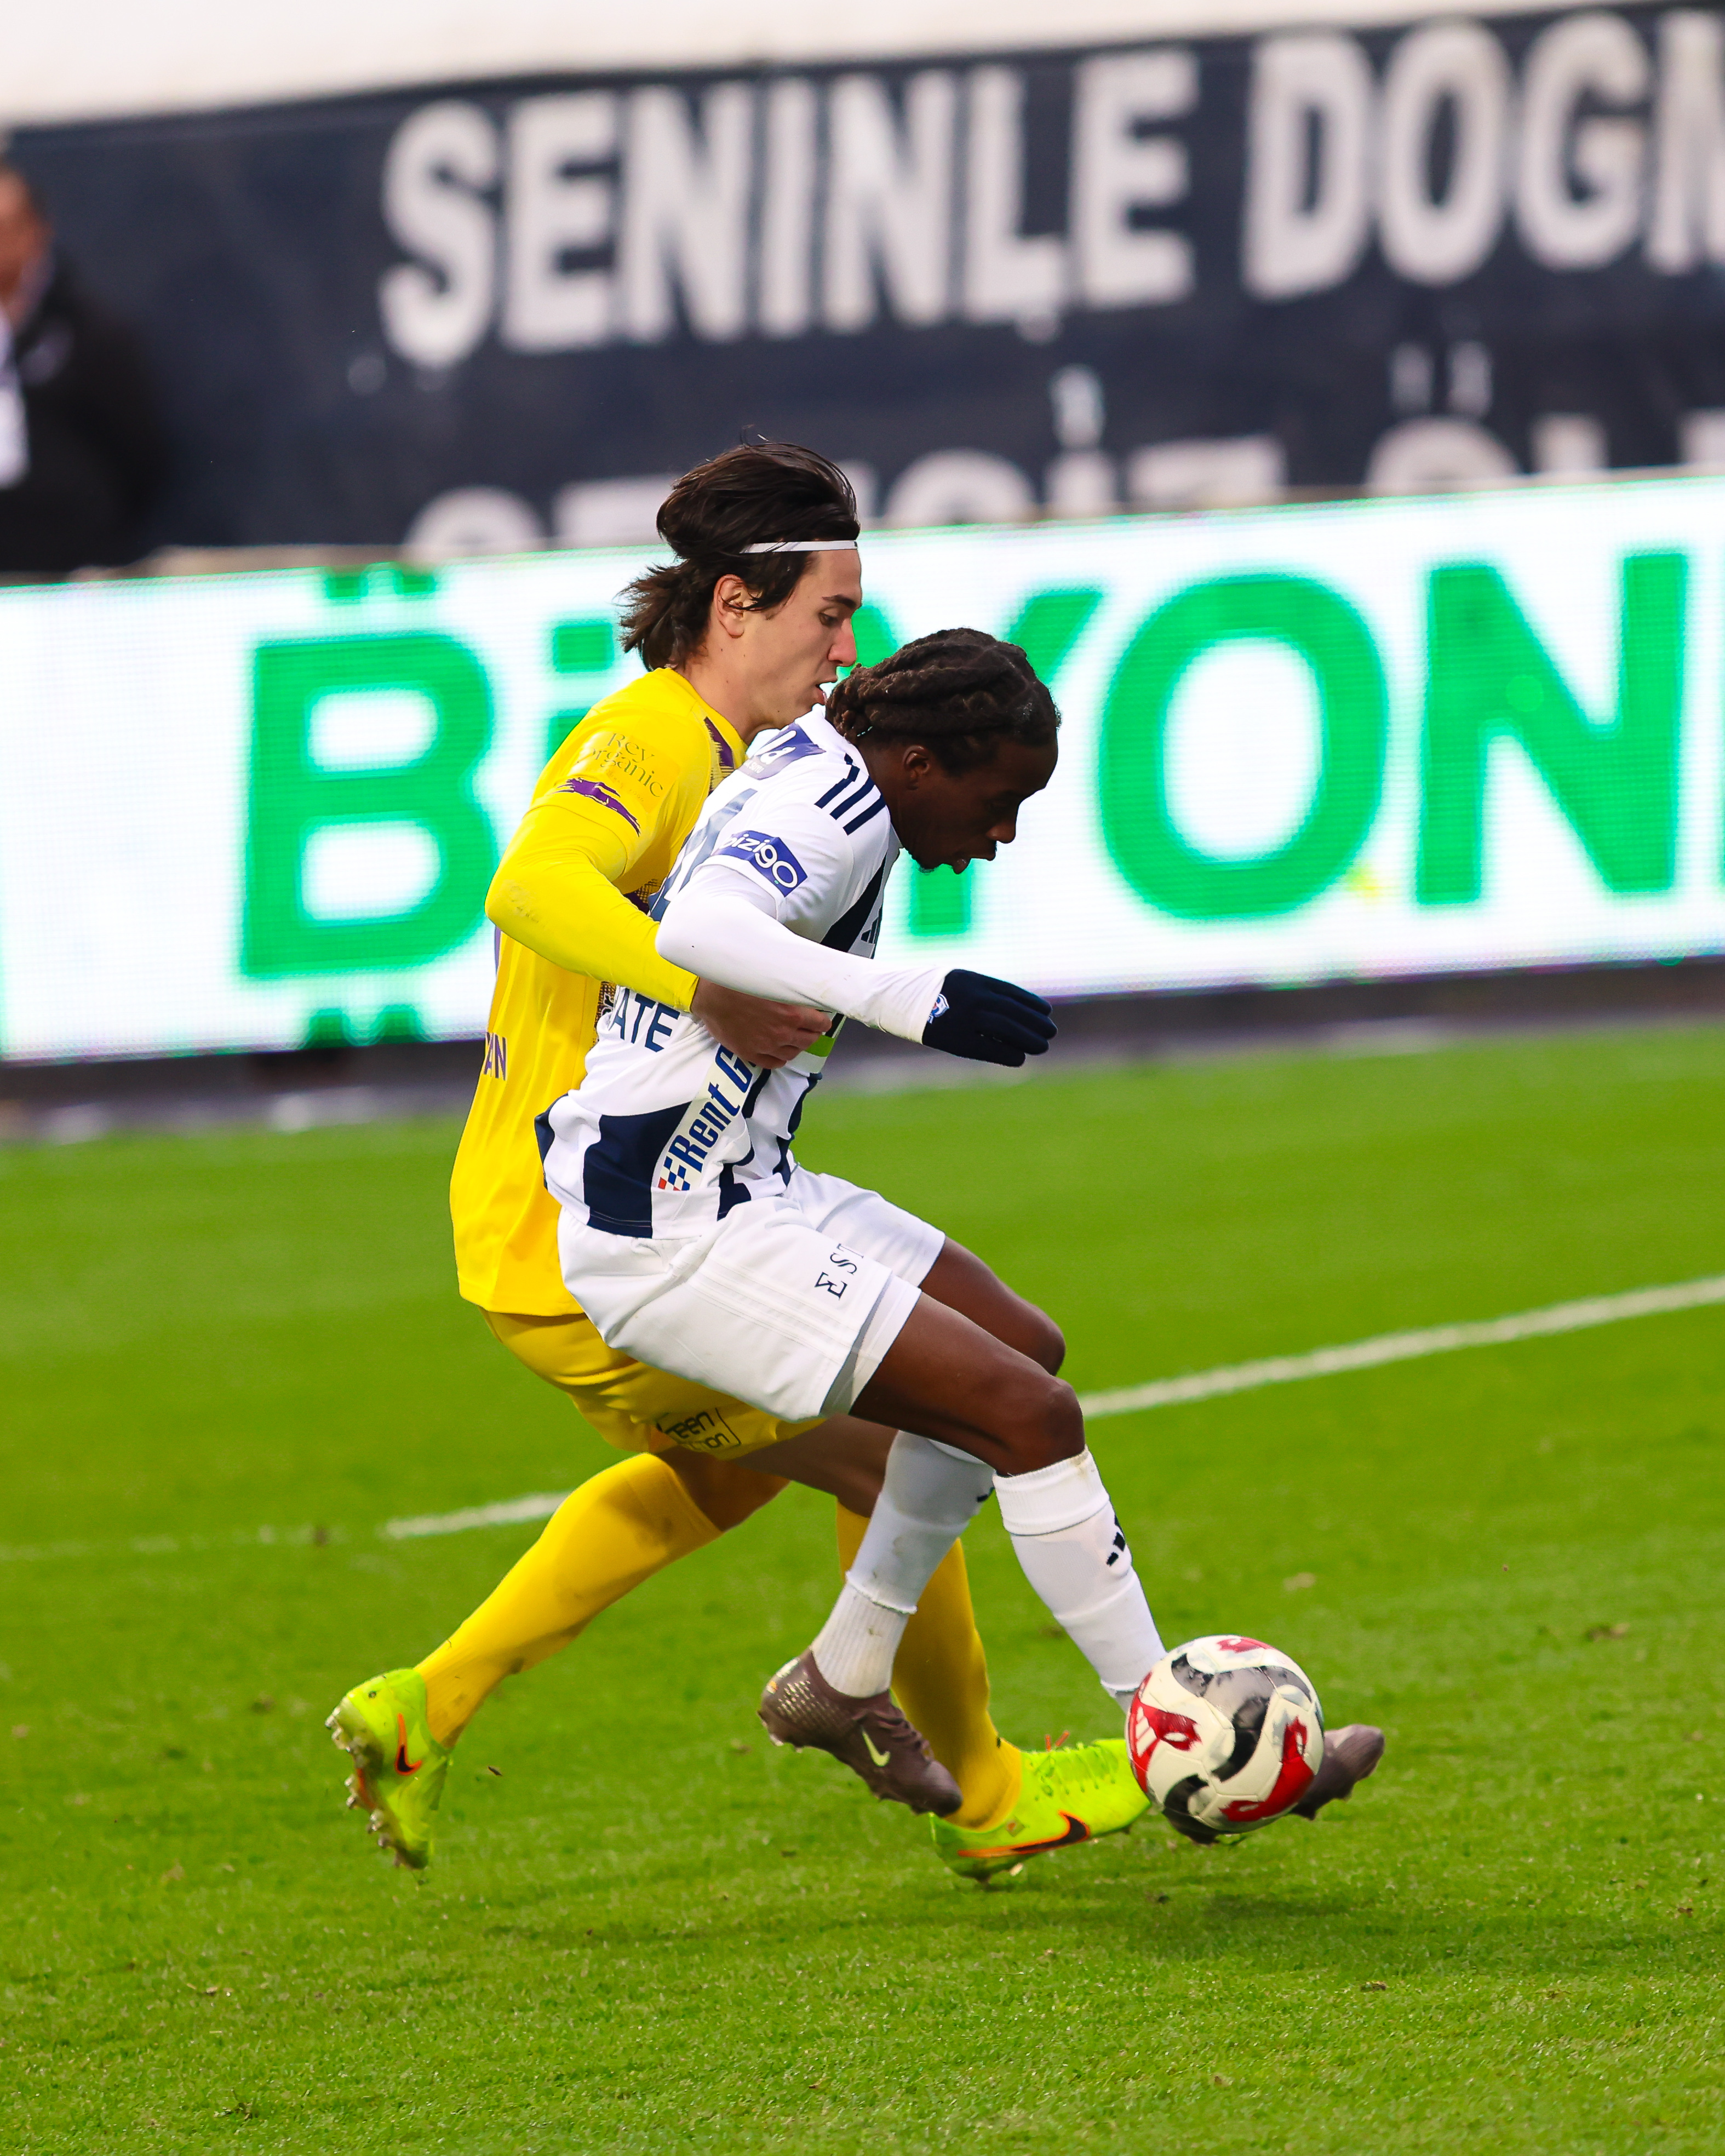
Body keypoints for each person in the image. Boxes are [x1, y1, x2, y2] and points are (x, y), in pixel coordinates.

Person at [329, 442, 1150, 1880]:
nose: (847, 646)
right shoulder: (652, 738)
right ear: (733, 605)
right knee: (910, 1445)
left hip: (634, 1199)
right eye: (829, 614)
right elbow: (528, 884)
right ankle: (984, 1792)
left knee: (746, 1470)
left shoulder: (774, 765)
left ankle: (426, 1705)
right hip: (579, 1220)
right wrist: (703, 980)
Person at [541, 624, 1386, 1820]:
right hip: (668, 1231)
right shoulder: (830, 807)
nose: (1002, 834)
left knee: (1020, 1349)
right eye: (999, 801)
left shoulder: (834, 781)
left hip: (741, 1183)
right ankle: (1188, 1742)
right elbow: (695, 935)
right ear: (922, 762)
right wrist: (908, 1001)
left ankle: (840, 1677)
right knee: (1027, 1417)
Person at [0, 164, 167, 574]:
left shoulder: (90, 333)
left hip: (76, 574)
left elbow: (138, 452)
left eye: (4, 229)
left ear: (36, 231)